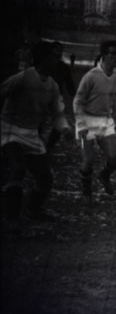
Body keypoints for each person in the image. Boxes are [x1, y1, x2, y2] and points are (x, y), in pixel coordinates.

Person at [1, 41, 72, 231]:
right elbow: (2, 91)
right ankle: (12, 217)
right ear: (42, 59)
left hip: (31, 133)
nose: (57, 61)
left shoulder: (52, 85)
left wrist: (65, 128)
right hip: (10, 130)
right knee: (17, 168)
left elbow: (57, 113)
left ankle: (32, 210)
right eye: (53, 57)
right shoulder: (23, 78)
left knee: (45, 179)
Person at [74, 40, 116, 203]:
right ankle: (86, 191)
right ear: (104, 55)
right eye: (112, 53)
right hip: (86, 121)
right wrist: (81, 124)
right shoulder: (91, 76)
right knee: (88, 161)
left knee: (114, 159)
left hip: (106, 122)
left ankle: (104, 176)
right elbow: (77, 101)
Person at [45, 42, 77, 151]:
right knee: (37, 121)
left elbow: (69, 83)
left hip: (57, 97)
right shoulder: (43, 64)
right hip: (41, 95)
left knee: (59, 123)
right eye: (56, 50)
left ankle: (50, 145)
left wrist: (75, 94)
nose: (58, 53)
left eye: (60, 50)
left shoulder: (64, 67)